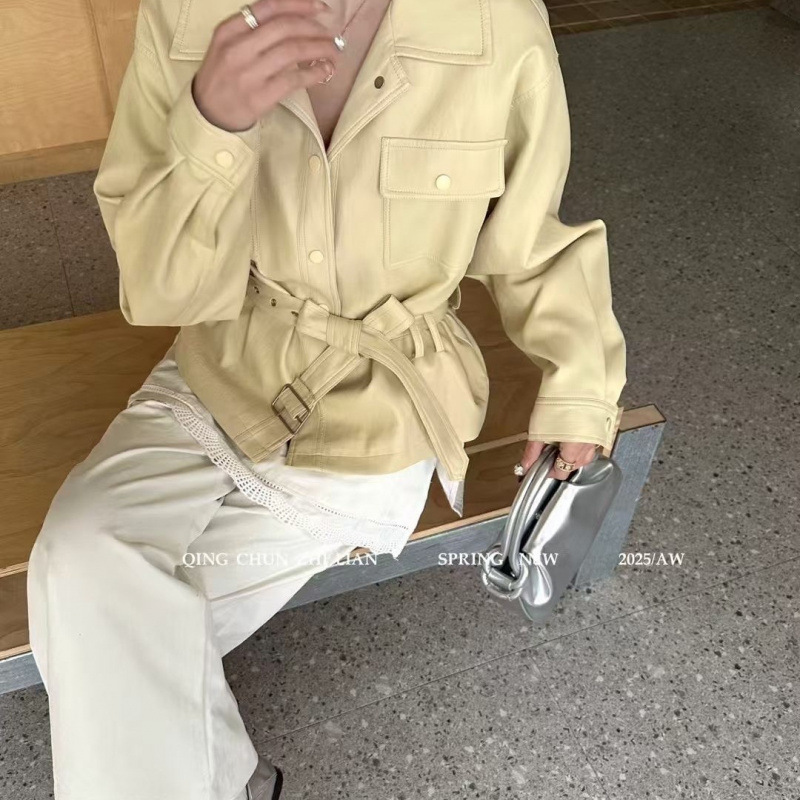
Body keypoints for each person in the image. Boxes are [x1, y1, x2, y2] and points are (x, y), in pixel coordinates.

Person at [25, 0, 627, 797]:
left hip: (383, 413)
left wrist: (582, 386)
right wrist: (212, 122)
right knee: (80, 561)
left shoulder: (496, 21)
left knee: (98, 624)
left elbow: (533, 241)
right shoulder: (186, 11)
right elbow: (160, 288)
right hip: (219, 373)